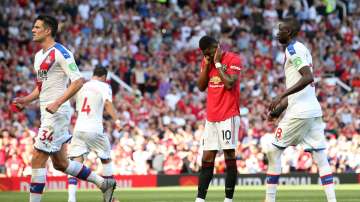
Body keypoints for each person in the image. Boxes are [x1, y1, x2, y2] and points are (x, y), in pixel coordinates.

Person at [12, 15, 116, 202]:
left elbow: (78, 81)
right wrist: (26, 100)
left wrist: (58, 102)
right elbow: (41, 87)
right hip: (48, 112)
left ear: (48, 30)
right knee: (61, 163)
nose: (33, 30)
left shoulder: (61, 52)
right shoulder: (38, 57)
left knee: (37, 156)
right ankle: (103, 183)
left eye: (37, 27)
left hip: (57, 113)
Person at [264, 17, 336, 202]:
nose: (277, 33)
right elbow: (301, 85)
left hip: (300, 112)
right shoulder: (303, 48)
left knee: (273, 151)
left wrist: (280, 95)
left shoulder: (292, 50)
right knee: (320, 157)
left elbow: (307, 77)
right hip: (313, 111)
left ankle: (269, 199)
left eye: (280, 30)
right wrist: (278, 111)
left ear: (288, 32)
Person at [195, 35, 242, 202]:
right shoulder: (206, 62)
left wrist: (218, 64)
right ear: (205, 53)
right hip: (211, 117)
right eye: (209, 53)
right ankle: (200, 199)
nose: (214, 53)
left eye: (215, 49)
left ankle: (228, 199)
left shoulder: (233, 59)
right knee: (207, 157)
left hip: (228, 115)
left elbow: (229, 83)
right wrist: (208, 65)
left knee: (229, 155)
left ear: (218, 46)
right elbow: (201, 87)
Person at [67, 67, 120, 202]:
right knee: (106, 159)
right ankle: (108, 198)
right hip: (95, 129)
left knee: (75, 165)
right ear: (104, 77)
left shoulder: (82, 86)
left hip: (79, 129)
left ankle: (71, 199)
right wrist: (117, 121)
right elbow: (108, 103)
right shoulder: (104, 86)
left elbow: (78, 110)